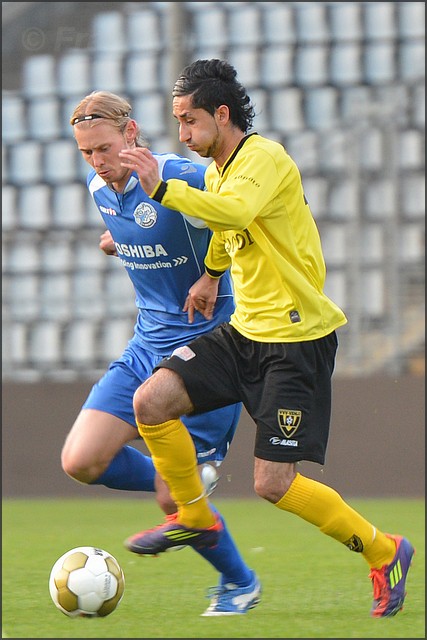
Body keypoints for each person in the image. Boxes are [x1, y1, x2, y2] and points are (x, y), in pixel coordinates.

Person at [122, 59, 415, 619]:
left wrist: (161, 190)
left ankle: (385, 551)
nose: (182, 134)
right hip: (244, 333)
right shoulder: (216, 170)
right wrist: (210, 275)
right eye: (177, 122)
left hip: (295, 341)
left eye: (189, 121)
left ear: (221, 114)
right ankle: (193, 513)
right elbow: (226, 231)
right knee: (151, 401)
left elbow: (234, 211)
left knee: (273, 484)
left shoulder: (264, 158)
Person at [62, 90, 261, 616]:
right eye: (87, 153)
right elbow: (138, 227)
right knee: (81, 461)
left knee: (177, 504)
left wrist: (213, 275)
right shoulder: (98, 189)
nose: (98, 164)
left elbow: (237, 224)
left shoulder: (184, 177)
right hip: (146, 343)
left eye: (105, 148)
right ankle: (178, 476)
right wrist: (117, 239)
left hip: (207, 352)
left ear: (131, 134)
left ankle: (240, 583)